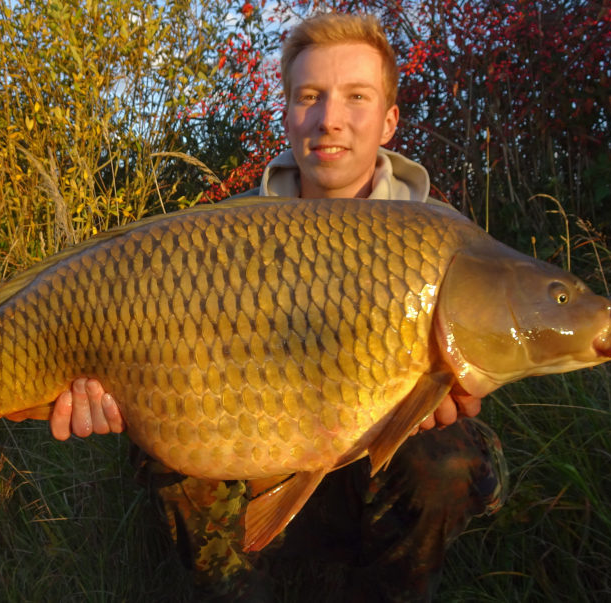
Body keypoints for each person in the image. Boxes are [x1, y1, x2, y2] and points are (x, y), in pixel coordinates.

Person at [49, 13, 507, 601]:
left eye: (356, 96)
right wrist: (110, 393)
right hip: (248, 451)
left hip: (369, 467)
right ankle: (239, 588)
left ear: (390, 120)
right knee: (169, 440)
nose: (329, 119)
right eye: (309, 97)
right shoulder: (227, 233)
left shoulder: (442, 243)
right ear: (287, 111)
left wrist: (460, 388)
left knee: (449, 456)